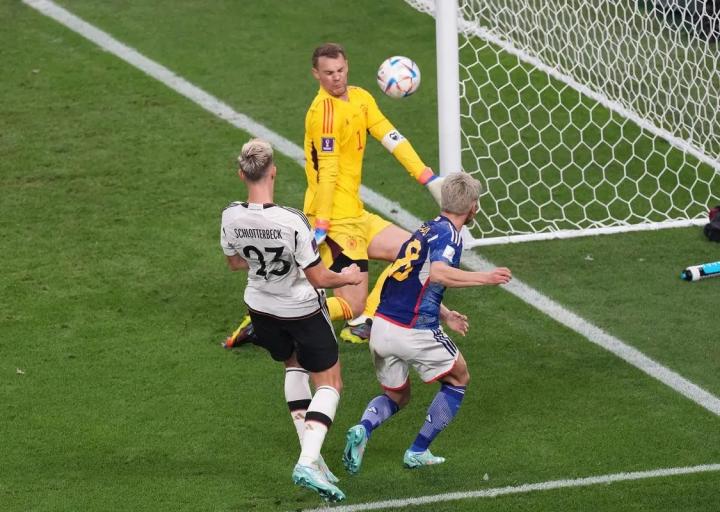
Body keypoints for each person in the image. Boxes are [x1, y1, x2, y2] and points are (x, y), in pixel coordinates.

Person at [224, 42, 444, 348]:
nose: (336, 77)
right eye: (328, 73)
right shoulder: (323, 114)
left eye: (340, 70)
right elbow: (327, 172)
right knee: (350, 304)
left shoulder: (362, 98)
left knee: (418, 252)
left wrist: (427, 177)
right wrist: (323, 224)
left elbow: (392, 137)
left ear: (347, 66)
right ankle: (268, 320)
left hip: (356, 213)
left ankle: (366, 321)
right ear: (316, 74)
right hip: (335, 219)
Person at [341, 172, 512, 473]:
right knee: (458, 378)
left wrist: (446, 314)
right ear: (472, 206)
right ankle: (418, 451)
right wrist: (486, 277)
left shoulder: (425, 229)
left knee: (397, 395)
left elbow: (412, 279)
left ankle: (363, 428)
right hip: (413, 330)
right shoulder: (450, 236)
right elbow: (439, 274)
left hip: (381, 327)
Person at [220, 138, 362, 502]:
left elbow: (235, 262)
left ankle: (314, 461)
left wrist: (264, 260)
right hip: (301, 310)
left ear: (241, 174)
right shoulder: (292, 220)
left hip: (260, 308)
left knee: (293, 365)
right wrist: (347, 277)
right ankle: (308, 460)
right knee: (330, 383)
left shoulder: (230, 215)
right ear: (273, 171)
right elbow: (318, 278)